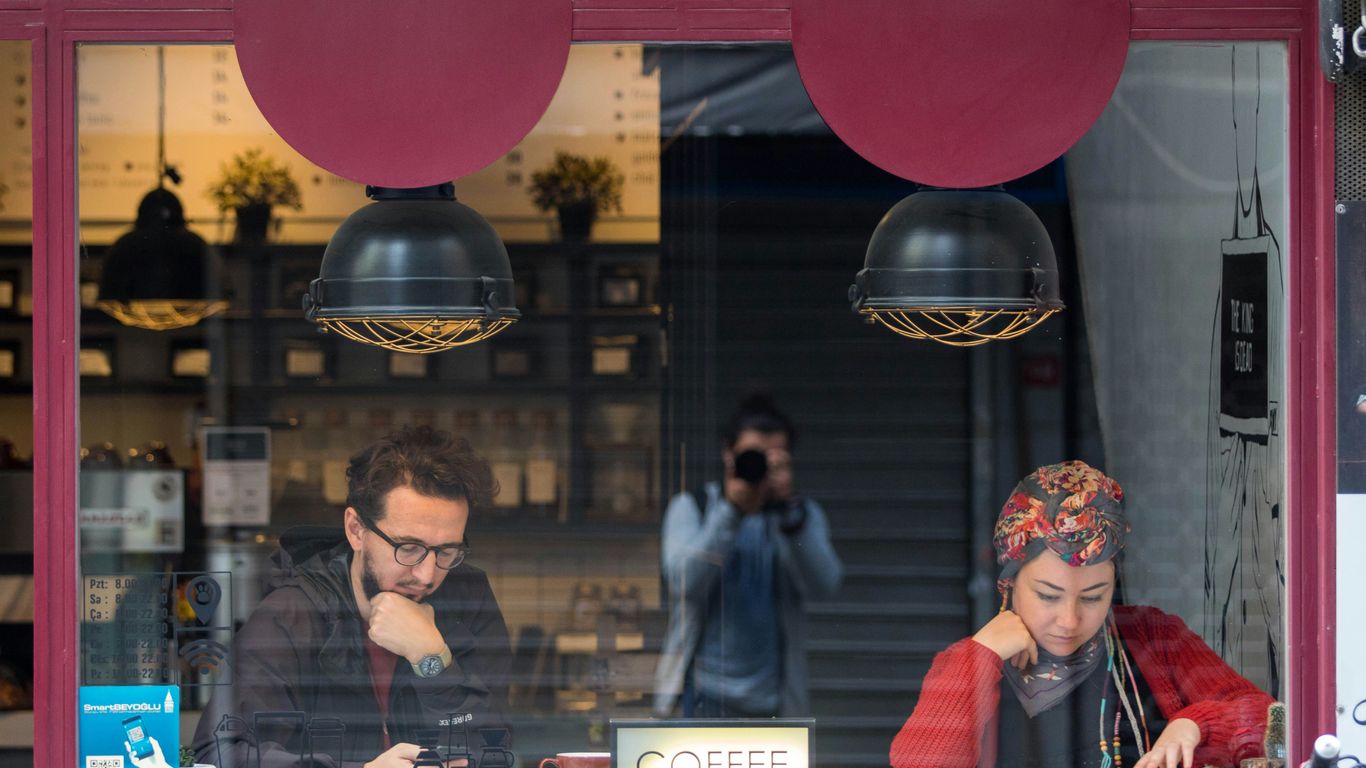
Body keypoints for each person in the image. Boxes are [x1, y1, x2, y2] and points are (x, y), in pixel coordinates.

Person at [889, 460, 1274, 768]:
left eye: (1092, 597)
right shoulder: (967, 664)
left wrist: (1194, 727)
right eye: (1047, 595)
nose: (1069, 620)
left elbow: (1270, 722)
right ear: (1009, 582)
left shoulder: (1155, 638)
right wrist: (981, 656)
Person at [192, 426, 511, 768]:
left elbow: (492, 751)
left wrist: (431, 659)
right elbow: (219, 754)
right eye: (409, 548)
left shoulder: (466, 599)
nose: (427, 574)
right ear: (356, 530)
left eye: (447, 551)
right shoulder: (293, 613)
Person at [653, 393, 843, 718]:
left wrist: (790, 519)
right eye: (754, 456)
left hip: (774, 703)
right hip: (700, 697)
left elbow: (825, 586)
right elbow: (685, 584)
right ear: (729, 454)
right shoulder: (694, 507)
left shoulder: (799, 517)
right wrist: (732, 511)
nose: (762, 468)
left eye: (775, 459)